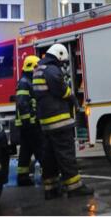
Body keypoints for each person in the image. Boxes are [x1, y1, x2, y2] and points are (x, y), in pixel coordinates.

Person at [33, 44, 92, 198]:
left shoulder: (39, 69)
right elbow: (60, 89)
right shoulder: (51, 70)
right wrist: (71, 95)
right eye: (62, 61)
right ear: (58, 55)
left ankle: (50, 189)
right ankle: (75, 188)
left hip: (47, 123)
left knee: (50, 157)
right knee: (66, 154)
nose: (62, 64)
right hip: (59, 121)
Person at [15, 55, 43, 186]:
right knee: (40, 148)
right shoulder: (25, 82)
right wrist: (28, 122)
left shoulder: (27, 81)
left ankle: (22, 177)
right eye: (37, 67)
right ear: (31, 67)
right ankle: (48, 175)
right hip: (29, 124)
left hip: (28, 123)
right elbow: (22, 103)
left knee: (26, 150)